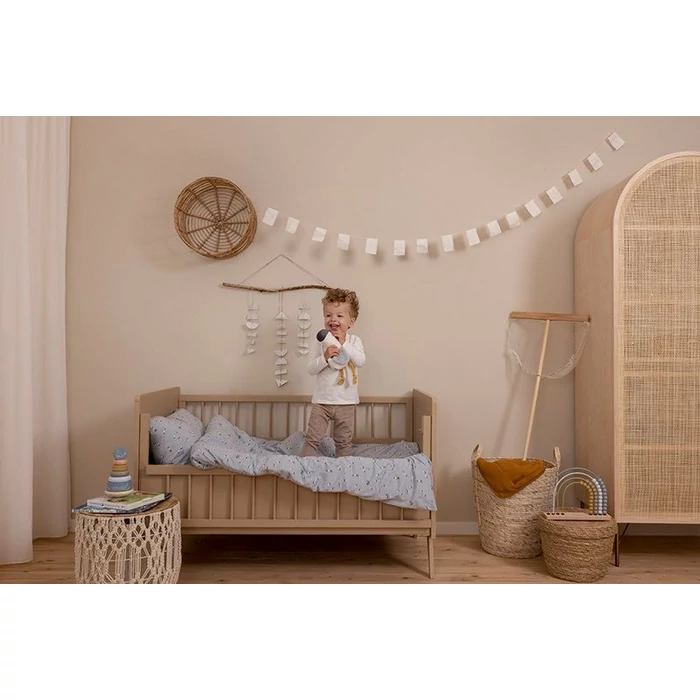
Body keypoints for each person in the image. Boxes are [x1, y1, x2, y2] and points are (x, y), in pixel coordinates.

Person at [302, 288, 366, 457]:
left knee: (344, 441)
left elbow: (360, 361)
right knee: (312, 438)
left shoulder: (354, 341)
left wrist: (344, 343)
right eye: (328, 315)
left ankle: (342, 467)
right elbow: (311, 368)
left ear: (351, 321)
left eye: (339, 315)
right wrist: (324, 357)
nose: (333, 319)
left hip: (346, 402)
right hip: (322, 402)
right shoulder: (321, 342)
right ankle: (303, 465)